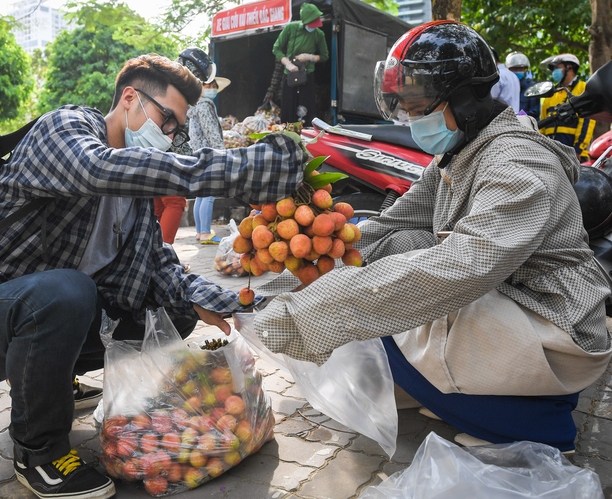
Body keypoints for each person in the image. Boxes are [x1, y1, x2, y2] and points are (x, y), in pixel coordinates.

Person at [251, 21, 612, 454]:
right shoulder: (458, 154)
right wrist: (296, 272)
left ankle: (537, 423)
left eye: (419, 105)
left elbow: (460, 267)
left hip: (556, 325)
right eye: (405, 106)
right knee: (395, 255)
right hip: (512, 297)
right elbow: (387, 227)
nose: (411, 117)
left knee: (393, 310)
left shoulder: (518, 163)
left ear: (466, 97)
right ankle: (470, 394)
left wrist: (306, 315)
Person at [0, 54, 303, 498]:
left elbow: (162, 266)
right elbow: (99, 171)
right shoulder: (65, 130)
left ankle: (48, 380)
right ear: (130, 98)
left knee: (175, 310)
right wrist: (237, 171)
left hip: (32, 318)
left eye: (175, 131)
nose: (168, 138)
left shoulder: (133, 202)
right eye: (166, 121)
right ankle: (37, 451)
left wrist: (244, 305)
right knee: (67, 291)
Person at [175, 48, 230, 245]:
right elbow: (211, 133)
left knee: (201, 195)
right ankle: (205, 233)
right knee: (208, 194)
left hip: (197, 153)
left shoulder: (194, 106)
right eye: (212, 84)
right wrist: (223, 155)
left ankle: (200, 232)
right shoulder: (205, 105)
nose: (214, 88)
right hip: (209, 154)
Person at [272, 2, 329, 125]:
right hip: (290, 75)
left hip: (307, 75)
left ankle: (307, 135)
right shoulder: (291, 28)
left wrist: (310, 57)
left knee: (307, 109)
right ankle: (287, 134)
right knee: (288, 108)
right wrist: (287, 63)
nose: (313, 27)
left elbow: (324, 56)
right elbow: (276, 49)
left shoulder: (319, 34)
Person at [540, 53, 596, 162]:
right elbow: (542, 126)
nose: (554, 72)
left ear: (569, 67)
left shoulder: (583, 88)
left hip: (575, 154)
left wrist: (578, 149)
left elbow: (587, 121)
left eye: (557, 67)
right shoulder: (551, 93)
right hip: (551, 155)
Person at [505, 51, 540, 120]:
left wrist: (519, 117)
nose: (518, 71)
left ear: (525, 70)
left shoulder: (532, 87)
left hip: (526, 126)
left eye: (521, 68)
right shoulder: (504, 87)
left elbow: (535, 112)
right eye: (515, 69)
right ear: (508, 69)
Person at [490, 47, 520, 112]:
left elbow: (490, 102)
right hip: (515, 118)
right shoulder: (513, 75)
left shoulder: (497, 76)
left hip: (502, 119)